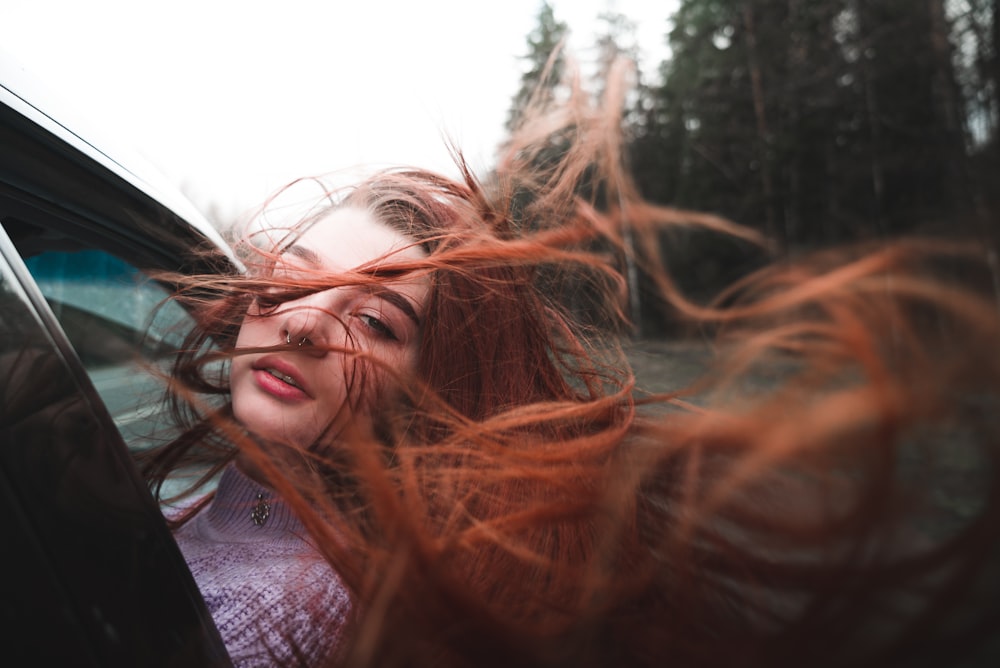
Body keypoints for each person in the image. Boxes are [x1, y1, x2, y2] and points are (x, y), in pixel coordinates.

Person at [142, 59, 1000, 668]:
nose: (303, 325)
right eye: (294, 277)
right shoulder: (194, 493)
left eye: (375, 320)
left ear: (427, 393)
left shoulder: (295, 613)